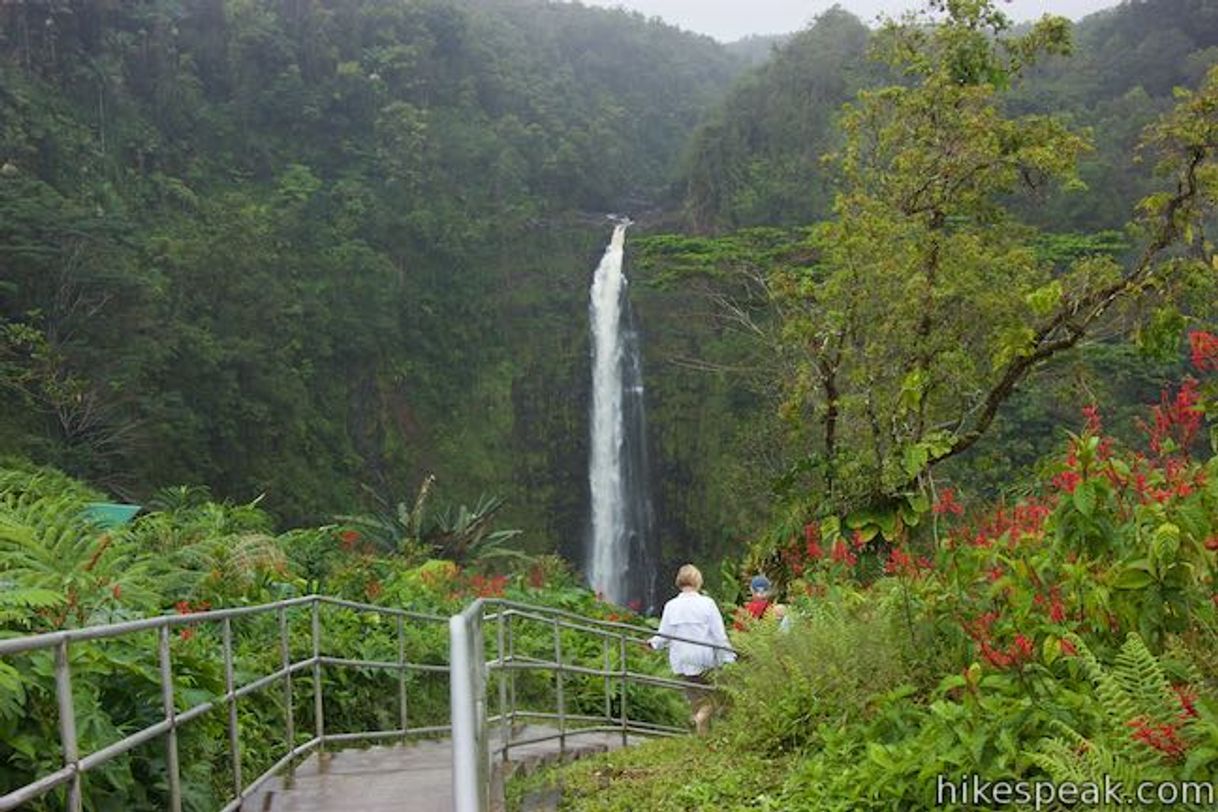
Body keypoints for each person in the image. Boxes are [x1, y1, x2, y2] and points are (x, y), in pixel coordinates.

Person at [648, 564, 736, 734]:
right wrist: (728, 656)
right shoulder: (707, 603)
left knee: (695, 698)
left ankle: (700, 731)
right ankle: (700, 725)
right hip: (704, 657)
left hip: (682, 658)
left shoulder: (671, 605)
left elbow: (664, 634)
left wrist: (653, 644)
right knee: (714, 698)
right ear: (698, 581)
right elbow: (718, 634)